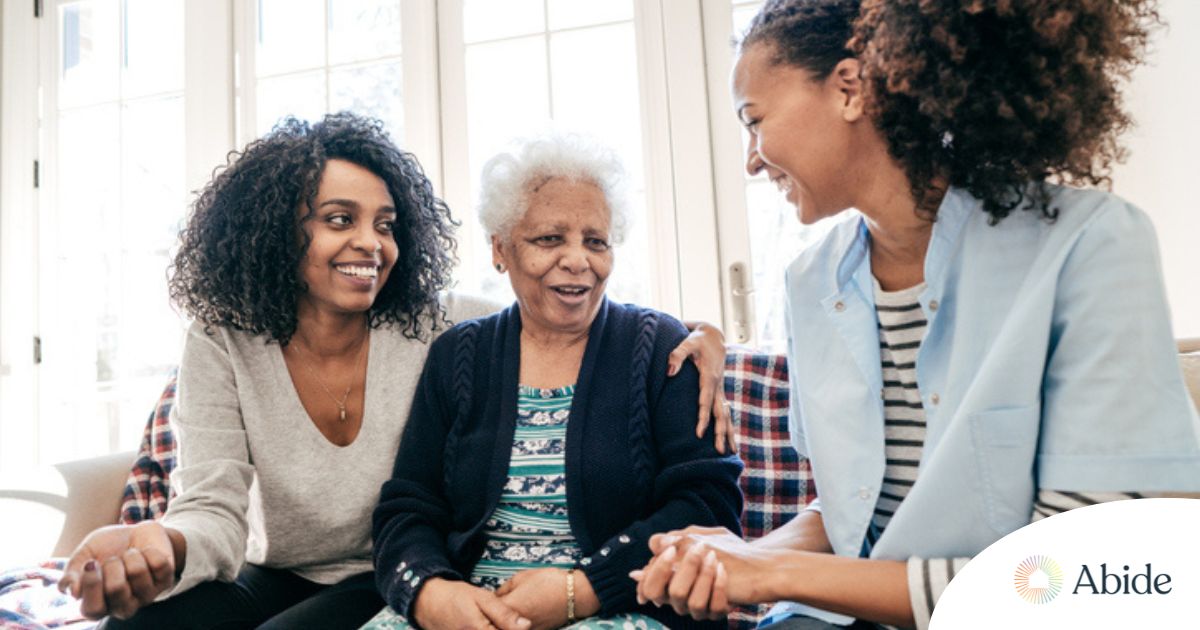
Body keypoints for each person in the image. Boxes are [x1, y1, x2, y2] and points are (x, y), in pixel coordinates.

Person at [633, 1, 1200, 628]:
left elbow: (1082, 578)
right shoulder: (810, 281)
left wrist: (770, 571)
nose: (751, 159)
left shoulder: (1089, 246)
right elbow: (852, 512)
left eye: (754, 119)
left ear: (849, 88)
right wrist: (733, 557)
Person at [55, 113, 730, 629]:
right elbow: (214, 511)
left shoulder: (438, 325)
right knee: (142, 622)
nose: (370, 244)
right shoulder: (225, 341)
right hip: (282, 566)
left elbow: (557, 309)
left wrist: (705, 334)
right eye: (339, 220)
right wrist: (161, 544)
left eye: (385, 223)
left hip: (378, 575)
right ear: (276, 232)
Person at [363, 133, 744, 630]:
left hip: (622, 606)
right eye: (549, 239)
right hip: (474, 611)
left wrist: (582, 590)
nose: (577, 260)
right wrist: (432, 593)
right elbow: (408, 507)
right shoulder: (459, 354)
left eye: (596, 241)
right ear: (500, 249)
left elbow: (708, 507)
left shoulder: (661, 349)